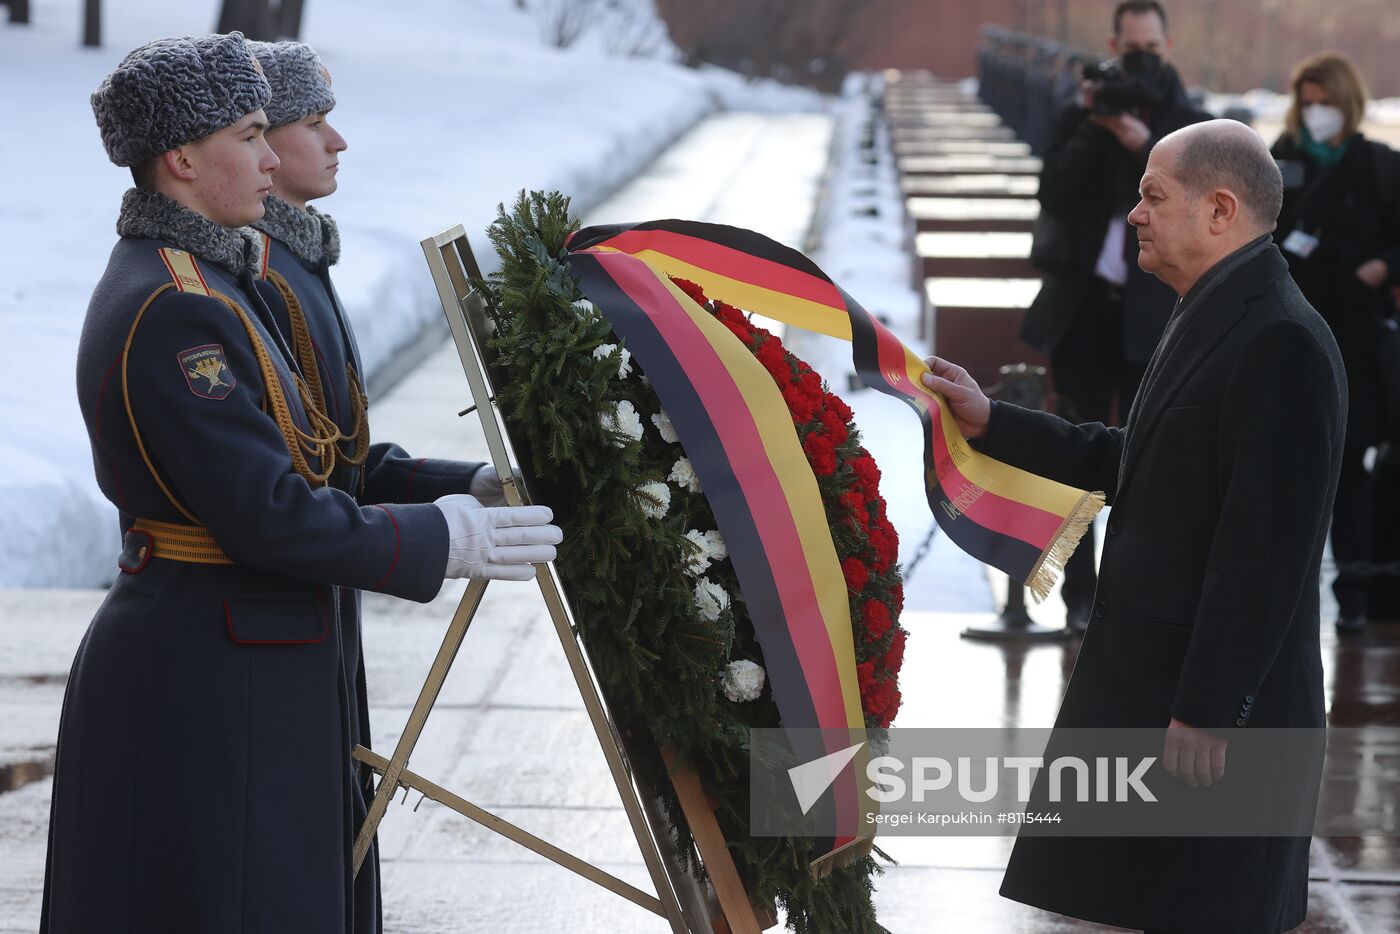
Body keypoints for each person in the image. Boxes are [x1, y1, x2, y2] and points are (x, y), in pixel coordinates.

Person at [43, 33, 560, 934]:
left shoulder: (219, 276)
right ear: (182, 157)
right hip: (206, 667)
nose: (274, 154)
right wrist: (445, 538)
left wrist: (467, 488)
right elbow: (270, 516)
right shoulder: (176, 307)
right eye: (251, 135)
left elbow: (322, 456)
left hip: (255, 658)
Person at [925, 119, 1346, 932]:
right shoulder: (1213, 307)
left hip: (1215, 721)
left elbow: (1265, 553)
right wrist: (994, 421)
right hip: (1160, 691)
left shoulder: (1280, 340)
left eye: (1154, 196)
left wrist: (1209, 709)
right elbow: (1144, 461)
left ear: (1220, 210)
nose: (1135, 215)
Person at [1021, 0, 1210, 632]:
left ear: (1168, 46)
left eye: (1150, 52)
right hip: (1084, 313)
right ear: (1112, 45)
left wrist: (1144, 149)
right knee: (1075, 458)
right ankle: (1079, 598)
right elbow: (1052, 191)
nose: (1139, 63)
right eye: (1129, 51)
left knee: (1150, 460)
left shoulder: (1189, 125)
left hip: (1153, 317)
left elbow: (1198, 210)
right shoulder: (1085, 111)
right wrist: (1091, 122)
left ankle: (1134, 600)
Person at [1270, 51, 1400, 635]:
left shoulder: (1379, 166)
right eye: (1307, 102)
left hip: (1356, 337)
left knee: (1352, 470)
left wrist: (1379, 268)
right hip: (1290, 335)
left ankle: (1355, 592)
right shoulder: (1281, 161)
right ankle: (1280, 594)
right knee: (1285, 468)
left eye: (1325, 103)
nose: (1315, 113)